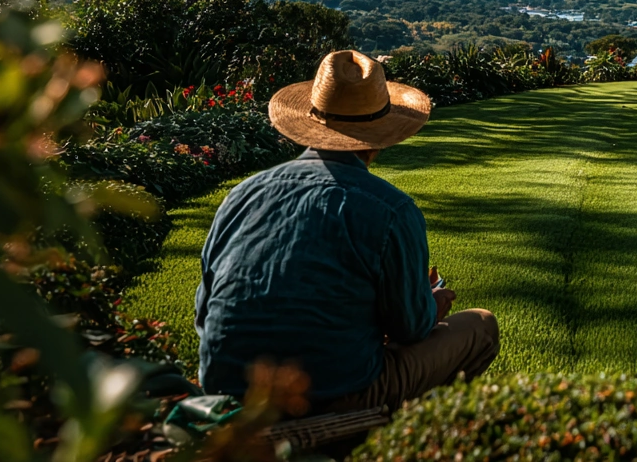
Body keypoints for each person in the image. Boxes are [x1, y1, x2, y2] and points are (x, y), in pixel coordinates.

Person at [195, 50, 499, 412]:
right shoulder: (391, 210)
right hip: (332, 394)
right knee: (481, 326)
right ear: (380, 134)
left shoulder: (242, 195)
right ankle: (389, 434)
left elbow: (205, 312)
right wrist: (435, 303)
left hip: (224, 391)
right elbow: (410, 328)